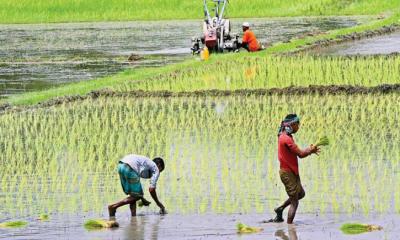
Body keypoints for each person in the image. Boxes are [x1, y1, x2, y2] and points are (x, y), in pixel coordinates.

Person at [271, 114, 320, 224]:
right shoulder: (286, 139)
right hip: (287, 174)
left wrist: (310, 150)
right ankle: (290, 227)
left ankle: (280, 209)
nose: (299, 127)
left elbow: (299, 153)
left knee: (301, 194)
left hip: (292, 172)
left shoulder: (285, 136)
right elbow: (301, 154)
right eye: (297, 124)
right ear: (292, 125)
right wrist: (310, 150)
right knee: (295, 202)